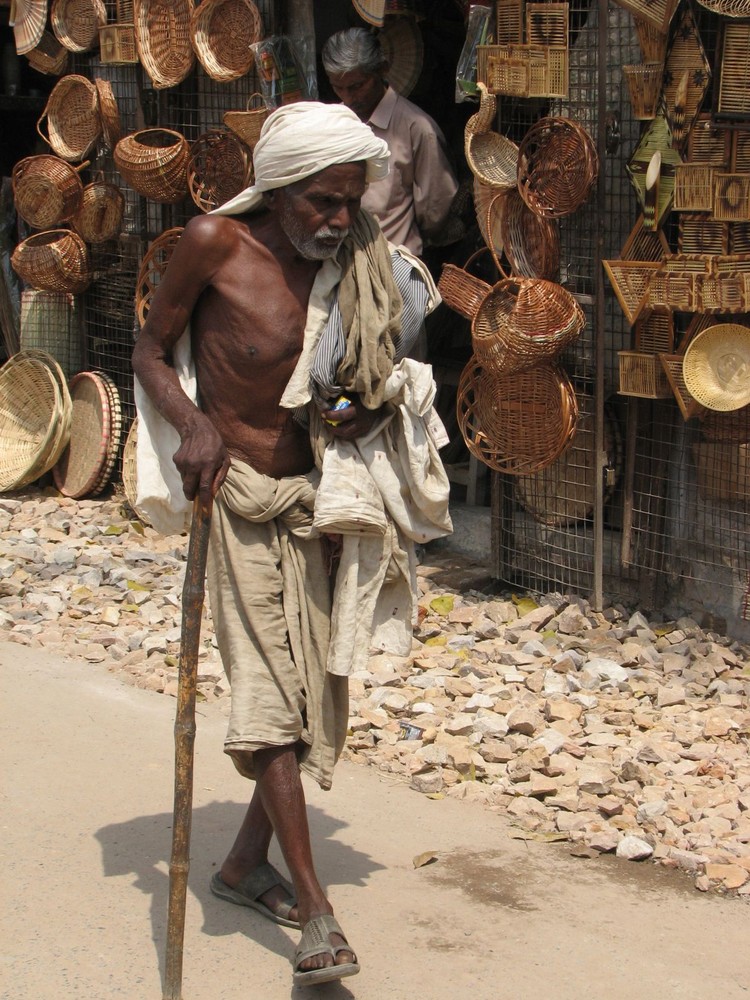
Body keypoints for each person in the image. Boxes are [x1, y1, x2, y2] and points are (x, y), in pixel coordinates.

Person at [131, 101, 451, 988]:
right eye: (321, 202)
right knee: (270, 695)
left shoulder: (359, 267)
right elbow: (151, 348)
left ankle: (240, 868)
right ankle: (317, 912)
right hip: (232, 497)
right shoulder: (213, 244)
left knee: (312, 695)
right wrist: (192, 425)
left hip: (320, 496)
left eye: (350, 201)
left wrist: (367, 403)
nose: (339, 220)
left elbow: (344, 390)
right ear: (277, 191)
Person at [321, 26, 459, 258]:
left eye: (357, 86)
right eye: (338, 88)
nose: (348, 97)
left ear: (382, 70)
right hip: (339, 264)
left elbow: (436, 210)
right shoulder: (332, 123)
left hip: (395, 268)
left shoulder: (417, 128)